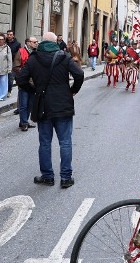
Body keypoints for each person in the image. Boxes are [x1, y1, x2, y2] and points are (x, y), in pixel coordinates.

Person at [18, 32, 84, 187]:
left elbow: (20, 79)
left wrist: (34, 90)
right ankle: (66, 178)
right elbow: (79, 74)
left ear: (42, 42)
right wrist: (72, 90)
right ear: (56, 42)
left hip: (43, 105)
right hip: (63, 103)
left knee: (45, 142)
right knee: (65, 142)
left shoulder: (34, 58)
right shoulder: (64, 56)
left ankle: (47, 176)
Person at [15, 36, 38, 130]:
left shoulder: (37, 53)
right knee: (23, 104)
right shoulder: (20, 51)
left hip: (34, 82)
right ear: (28, 43)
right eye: (34, 42)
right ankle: (24, 122)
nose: (36, 43)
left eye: (37, 42)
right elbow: (16, 67)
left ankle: (24, 121)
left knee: (30, 104)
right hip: (24, 82)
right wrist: (25, 74)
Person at [5, 30, 21, 98]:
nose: (9, 36)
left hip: (12, 62)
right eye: (8, 34)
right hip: (4, 61)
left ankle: (9, 91)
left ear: (13, 35)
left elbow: (18, 54)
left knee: (10, 77)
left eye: (10, 34)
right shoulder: (4, 42)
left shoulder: (17, 44)